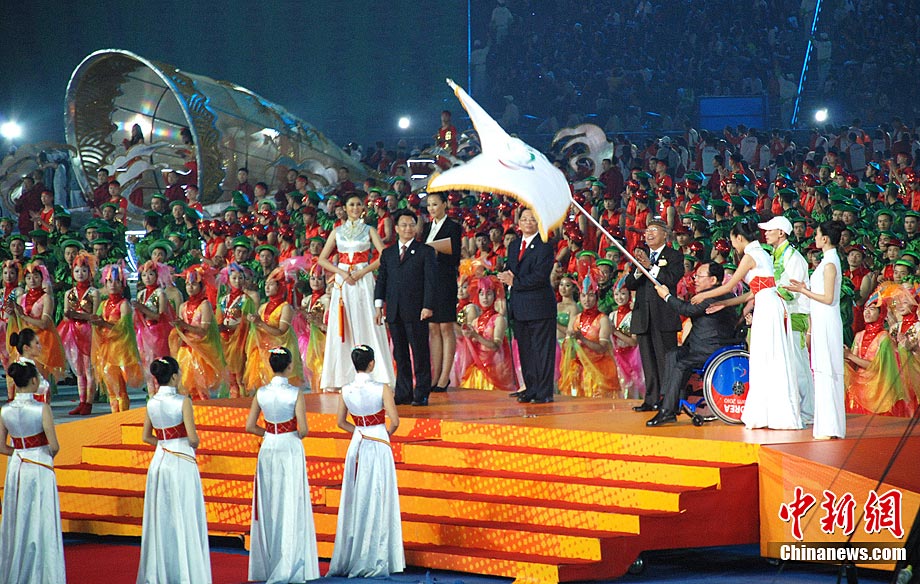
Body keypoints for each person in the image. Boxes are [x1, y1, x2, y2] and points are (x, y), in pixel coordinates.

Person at [691, 220, 803, 430]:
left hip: (767, 307)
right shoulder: (762, 253)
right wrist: (724, 303)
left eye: (733, 240)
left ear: (739, 238)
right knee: (766, 357)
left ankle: (771, 414)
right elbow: (752, 292)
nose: (733, 245)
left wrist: (703, 295)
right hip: (767, 303)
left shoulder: (750, 256)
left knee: (766, 357)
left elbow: (729, 286)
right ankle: (767, 414)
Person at [327, 345, 405, 578]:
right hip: (378, 441)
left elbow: (341, 422)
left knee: (357, 496)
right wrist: (382, 434)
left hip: (358, 443)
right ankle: (378, 555)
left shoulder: (346, 389)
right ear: (372, 363)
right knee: (379, 495)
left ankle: (356, 552)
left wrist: (359, 432)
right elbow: (395, 421)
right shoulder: (382, 388)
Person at [245, 347, 319, 583]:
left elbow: (250, 426)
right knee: (291, 499)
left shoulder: (261, 392)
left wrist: (269, 433)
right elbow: (303, 429)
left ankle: (270, 561)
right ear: (289, 366)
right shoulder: (295, 393)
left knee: (270, 501)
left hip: (268, 446)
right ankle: (291, 560)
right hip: (289, 446)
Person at [136, 356, 211, 584]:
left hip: (160, 460)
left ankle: (162, 571)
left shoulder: (151, 402)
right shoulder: (182, 401)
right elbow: (193, 439)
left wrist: (164, 443)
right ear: (175, 376)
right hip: (181, 460)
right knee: (184, 513)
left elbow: (146, 436)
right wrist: (182, 443)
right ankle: (186, 572)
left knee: (162, 516)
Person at [317, 192, 394, 391]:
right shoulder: (337, 231)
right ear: (344, 208)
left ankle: (375, 374)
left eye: (358, 204)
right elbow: (322, 259)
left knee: (367, 320)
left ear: (363, 208)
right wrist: (341, 272)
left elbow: (384, 256)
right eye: (351, 204)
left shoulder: (369, 230)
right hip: (343, 281)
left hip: (363, 279)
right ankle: (342, 377)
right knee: (343, 324)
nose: (355, 208)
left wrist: (363, 272)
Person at [646, 262, 740, 426]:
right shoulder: (709, 295)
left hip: (713, 350)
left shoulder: (713, 296)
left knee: (682, 364)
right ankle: (669, 401)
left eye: (699, 276)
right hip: (699, 347)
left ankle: (667, 411)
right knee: (673, 354)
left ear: (713, 280)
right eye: (695, 276)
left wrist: (667, 296)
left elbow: (686, 310)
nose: (695, 279)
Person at [0, 361, 65, 584]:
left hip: (16, 467)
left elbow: (2, 447)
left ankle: (16, 569)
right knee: (42, 517)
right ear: (34, 380)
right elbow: (54, 446)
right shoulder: (41, 408)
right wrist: (39, 455)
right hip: (39, 465)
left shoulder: (5, 410)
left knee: (18, 517)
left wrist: (19, 453)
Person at [787, 220, 846, 439]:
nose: (815, 238)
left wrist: (804, 291)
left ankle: (831, 427)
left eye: (817, 234)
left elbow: (829, 298)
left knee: (828, 372)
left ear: (825, 238)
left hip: (828, 320)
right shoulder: (827, 261)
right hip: (821, 319)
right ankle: (826, 426)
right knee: (822, 372)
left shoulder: (830, 263)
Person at [374, 209, 437, 405]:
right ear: (396, 228)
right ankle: (403, 392)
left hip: (417, 311)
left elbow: (431, 282)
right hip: (394, 311)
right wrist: (378, 305)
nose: (408, 228)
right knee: (400, 354)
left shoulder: (425, 251)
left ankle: (422, 393)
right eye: (404, 225)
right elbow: (382, 280)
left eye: (411, 225)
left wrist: (428, 306)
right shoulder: (388, 253)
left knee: (420, 353)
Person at [623, 220, 684, 411]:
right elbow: (630, 284)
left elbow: (671, 279)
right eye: (647, 231)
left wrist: (651, 266)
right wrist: (640, 269)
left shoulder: (674, 256)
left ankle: (668, 400)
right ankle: (651, 399)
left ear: (665, 234)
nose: (649, 234)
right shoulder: (641, 255)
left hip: (663, 316)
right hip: (643, 316)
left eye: (654, 230)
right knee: (648, 361)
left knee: (666, 361)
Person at [759, 215, 815, 424]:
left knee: (798, 365)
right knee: (786, 365)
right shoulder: (775, 255)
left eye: (770, 230)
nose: (766, 234)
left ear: (781, 233)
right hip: (780, 314)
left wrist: (768, 293)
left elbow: (792, 290)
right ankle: (795, 409)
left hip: (794, 315)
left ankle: (808, 411)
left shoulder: (794, 257)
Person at [498, 209, 556, 403]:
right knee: (526, 350)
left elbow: (540, 276)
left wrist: (515, 282)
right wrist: (504, 276)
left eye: (532, 219)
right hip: (519, 306)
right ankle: (530, 388)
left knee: (542, 352)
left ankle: (543, 392)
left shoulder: (544, 246)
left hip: (539, 306)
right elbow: (511, 269)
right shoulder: (514, 245)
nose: (528, 222)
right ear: (519, 223)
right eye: (524, 219)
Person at [559, 262, 621, 398]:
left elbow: (602, 348)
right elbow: (567, 348)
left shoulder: (603, 319)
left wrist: (582, 339)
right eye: (583, 295)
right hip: (578, 373)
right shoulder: (575, 319)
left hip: (599, 374)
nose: (587, 299)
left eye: (591, 295)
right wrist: (570, 343)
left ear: (597, 297)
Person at [421, 192, 463, 393]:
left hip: (445, 281)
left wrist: (437, 251)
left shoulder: (453, 227)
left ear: (445, 204)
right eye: (429, 205)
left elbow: (455, 256)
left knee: (446, 326)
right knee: (433, 328)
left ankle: (445, 377)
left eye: (435, 204)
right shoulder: (427, 227)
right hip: (428, 282)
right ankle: (435, 375)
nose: (431, 208)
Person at [90, 262, 144, 412]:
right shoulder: (103, 304)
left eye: (117, 281)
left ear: (123, 285)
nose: (113, 285)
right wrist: (96, 323)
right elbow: (97, 324)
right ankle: (114, 417)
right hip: (106, 350)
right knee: (110, 389)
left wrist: (103, 324)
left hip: (120, 351)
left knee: (120, 388)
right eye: (109, 281)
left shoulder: (124, 305)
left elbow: (124, 329)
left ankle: (122, 418)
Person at [170, 265, 227, 400]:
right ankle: (194, 412)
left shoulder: (205, 305)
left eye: (194, 284)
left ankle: (204, 411)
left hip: (200, 352)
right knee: (189, 389)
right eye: (188, 284)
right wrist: (177, 328)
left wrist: (184, 325)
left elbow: (204, 331)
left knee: (202, 390)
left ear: (201, 286)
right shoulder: (183, 306)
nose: (190, 287)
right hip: (185, 351)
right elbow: (181, 329)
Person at [245, 266, 305, 390]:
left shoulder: (285, 307)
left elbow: (281, 331)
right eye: (266, 284)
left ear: (280, 287)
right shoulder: (263, 307)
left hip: (281, 352)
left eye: (271, 285)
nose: (266, 287)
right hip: (264, 353)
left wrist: (260, 323)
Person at [458, 276, 518, 392]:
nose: (485, 297)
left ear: (495, 296)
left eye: (489, 293)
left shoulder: (498, 319)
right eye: (481, 294)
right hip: (478, 370)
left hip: (495, 371)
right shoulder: (475, 321)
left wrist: (475, 336)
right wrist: (467, 335)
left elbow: (495, 346)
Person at [58, 252, 100, 414]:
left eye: (84, 270)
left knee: (89, 369)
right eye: (77, 271)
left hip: (89, 332)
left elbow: (95, 317)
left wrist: (78, 315)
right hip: (72, 333)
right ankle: (82, 401)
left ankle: (89, 402)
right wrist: (70, 316)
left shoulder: (93, 292)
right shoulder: (69, 293)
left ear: (90, 272)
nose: (80, 274)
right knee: (79, 370)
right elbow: (66, 315)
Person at [133, 260, 176, 395]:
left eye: (151, 274)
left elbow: (160, 316)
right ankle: (151, 396)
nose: (147, 278)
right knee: (147, 366)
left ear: (157, 276)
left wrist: (142, 308)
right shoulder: (141, 294)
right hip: (143, 333)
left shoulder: (160, 293)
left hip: (157, 333)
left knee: (158, 365)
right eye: (144, 275)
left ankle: (160, 394)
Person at [216, 263, 254, 398]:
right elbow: (219, 318)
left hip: (239, 340)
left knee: (240, 375)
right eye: (234, 278)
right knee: (230, 376)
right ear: (228, 280)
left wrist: (229, 328)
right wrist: (220, 328)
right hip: (225, 339)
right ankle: (233, 400)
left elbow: (246, 323)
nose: (237, 281)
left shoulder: (246, 300)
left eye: (240, 278)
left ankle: (243, 400)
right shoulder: (223, 300)